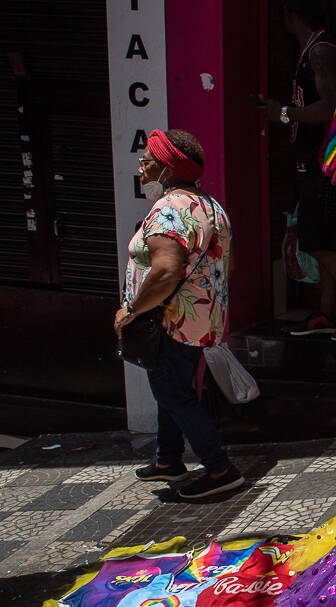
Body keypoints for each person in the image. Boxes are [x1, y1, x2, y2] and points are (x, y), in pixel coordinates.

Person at [115, 129, 245, 500]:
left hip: (170, 320)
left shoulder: (170, 210)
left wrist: (131, 310)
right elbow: (228, 265)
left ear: (168, 169)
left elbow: (167, 269)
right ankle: (168, 460)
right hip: (199, 319)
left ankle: (220, 468)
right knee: (171, 385)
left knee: (171, 391)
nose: (141, 170)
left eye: (148, 163)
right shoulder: (210, 206)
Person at [259, 0, 336, 342]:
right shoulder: (315, 48)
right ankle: (327, 312)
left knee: (315, 239)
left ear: (289, 13)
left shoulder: (321, 51)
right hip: (321, 162)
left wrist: (283, 114)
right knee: (329, 241)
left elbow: (330, 106)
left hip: (325, 164)